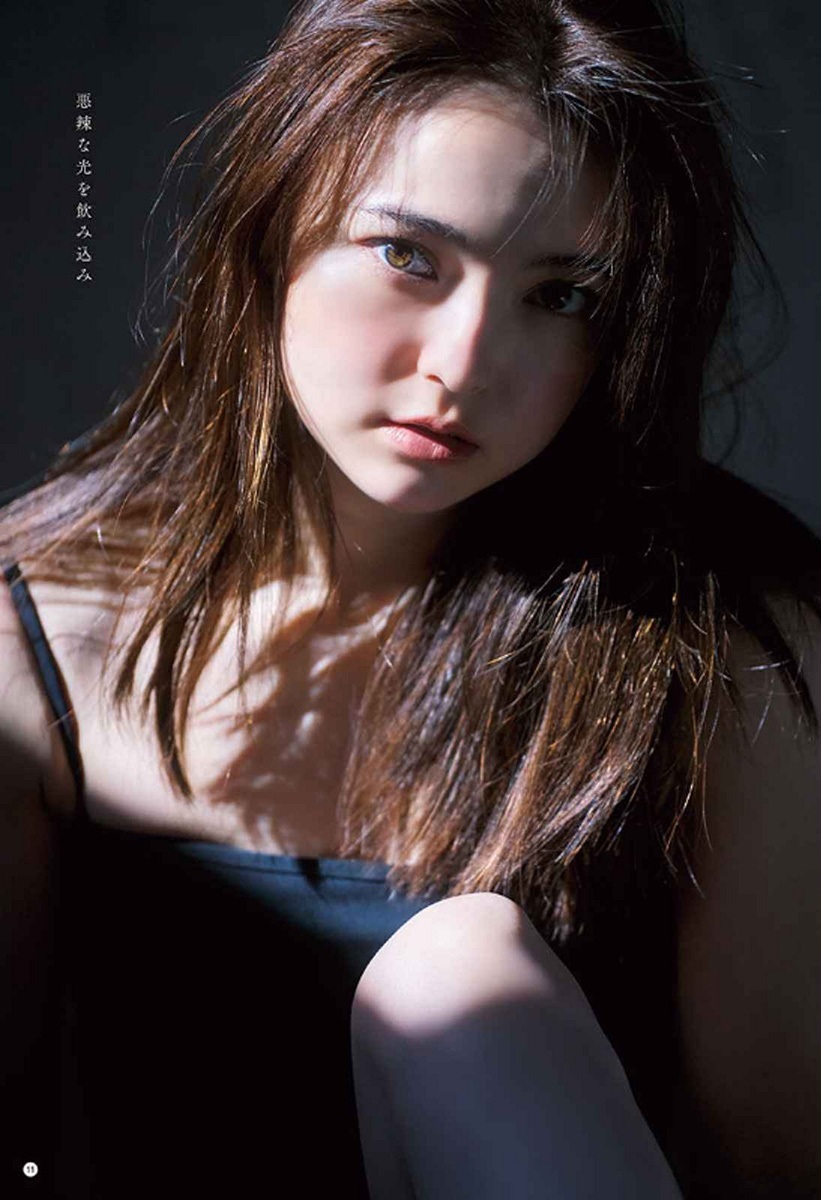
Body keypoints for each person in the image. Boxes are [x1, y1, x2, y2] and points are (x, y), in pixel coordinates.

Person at [1, 0, 819, 1195]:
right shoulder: (34, 636)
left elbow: (771, 1160)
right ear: (273, 224)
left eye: (562, 297)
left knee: (456, 971)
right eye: (407, 256)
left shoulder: (722, 641)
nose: (463, 363)